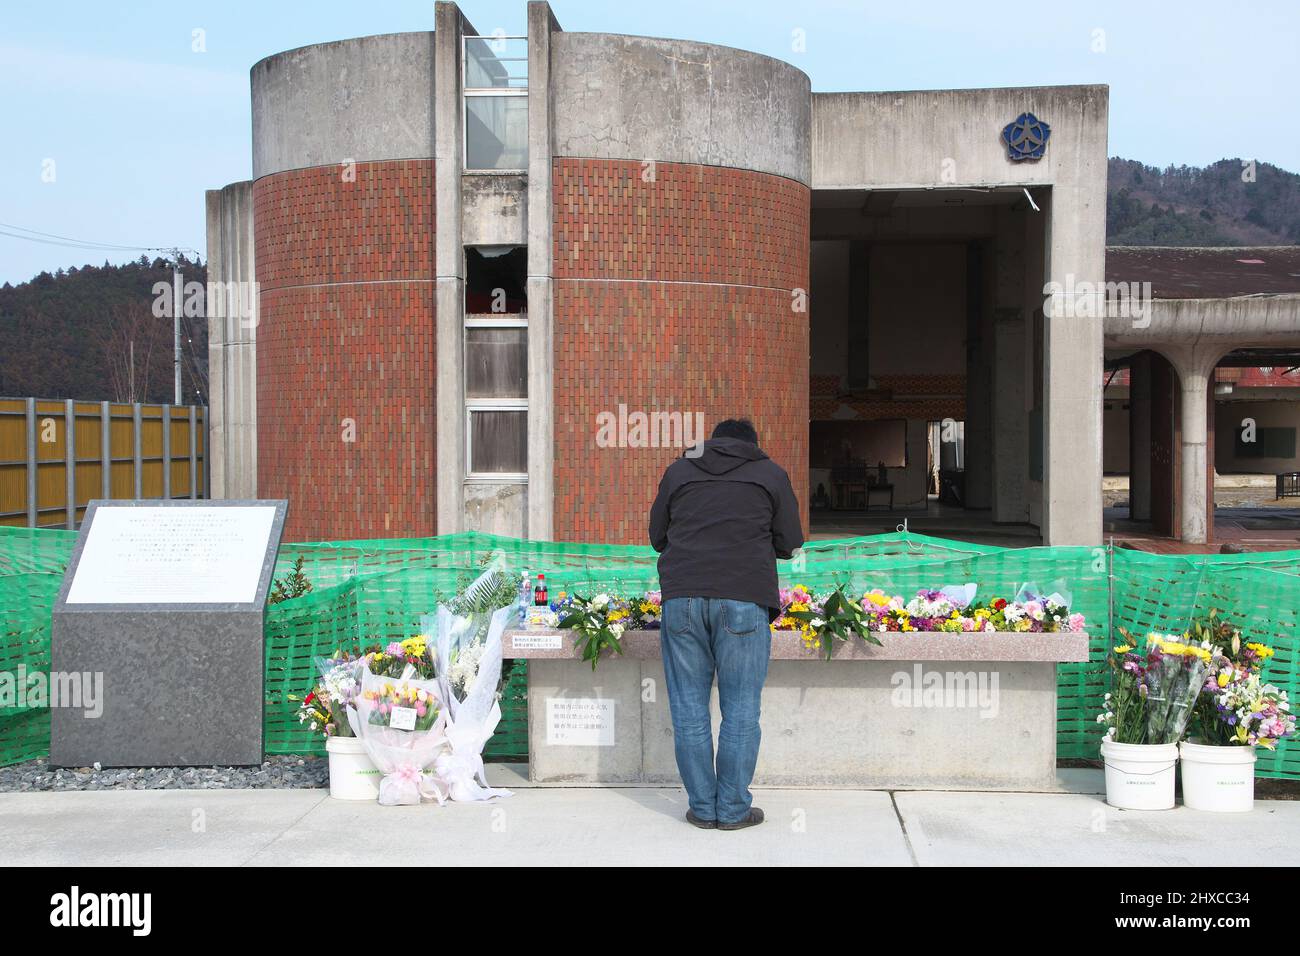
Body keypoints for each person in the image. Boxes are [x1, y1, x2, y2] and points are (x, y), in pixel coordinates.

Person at [648, 418, 804, 830]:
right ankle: (733, 810)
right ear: (752, 444)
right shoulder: (770, 473)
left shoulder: (679, 471)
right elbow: (790, 541)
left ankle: (702, 808)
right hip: (744, 599)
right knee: (740, 710)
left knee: (688, 710)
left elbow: (656, 536)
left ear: (713, 441)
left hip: (682, 600)